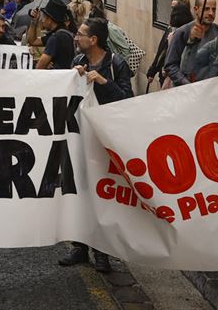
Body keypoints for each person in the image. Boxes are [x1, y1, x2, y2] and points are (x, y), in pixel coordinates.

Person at [59, 17, 133, 273]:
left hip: (103, 140)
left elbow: (127, 100)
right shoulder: (77, 61)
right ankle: (79, 247)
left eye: (80, 34)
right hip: (79, 137)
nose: (75, 38)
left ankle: (102, 251)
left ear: (94, 40)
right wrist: (74, 78)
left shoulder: (116, 64)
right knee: (78, 190)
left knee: (100, 193)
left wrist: (103, 82)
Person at [162, 0, 218, 87]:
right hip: (186, 92)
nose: (211, 13)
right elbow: (170, 65)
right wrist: (187, 84)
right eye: (206, 9)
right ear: (196, 10)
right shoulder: (182, 32)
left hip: (210, 90)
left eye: (214, 9)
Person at [146, 0, 193, 88]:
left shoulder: (188, 31)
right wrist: (152, 71)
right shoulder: (170, 28)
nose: (172, 12)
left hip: (178, 75)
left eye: (174, 8)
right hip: (166, 74)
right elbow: (161, 50)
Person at [35, 0, 75, 69]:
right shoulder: (67, 34)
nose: (42, 20)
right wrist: (33, 21)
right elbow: (33, 41)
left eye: (44, 17)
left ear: (50, 20)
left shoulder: (55, 38)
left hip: (57, 78)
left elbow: (39, 67)